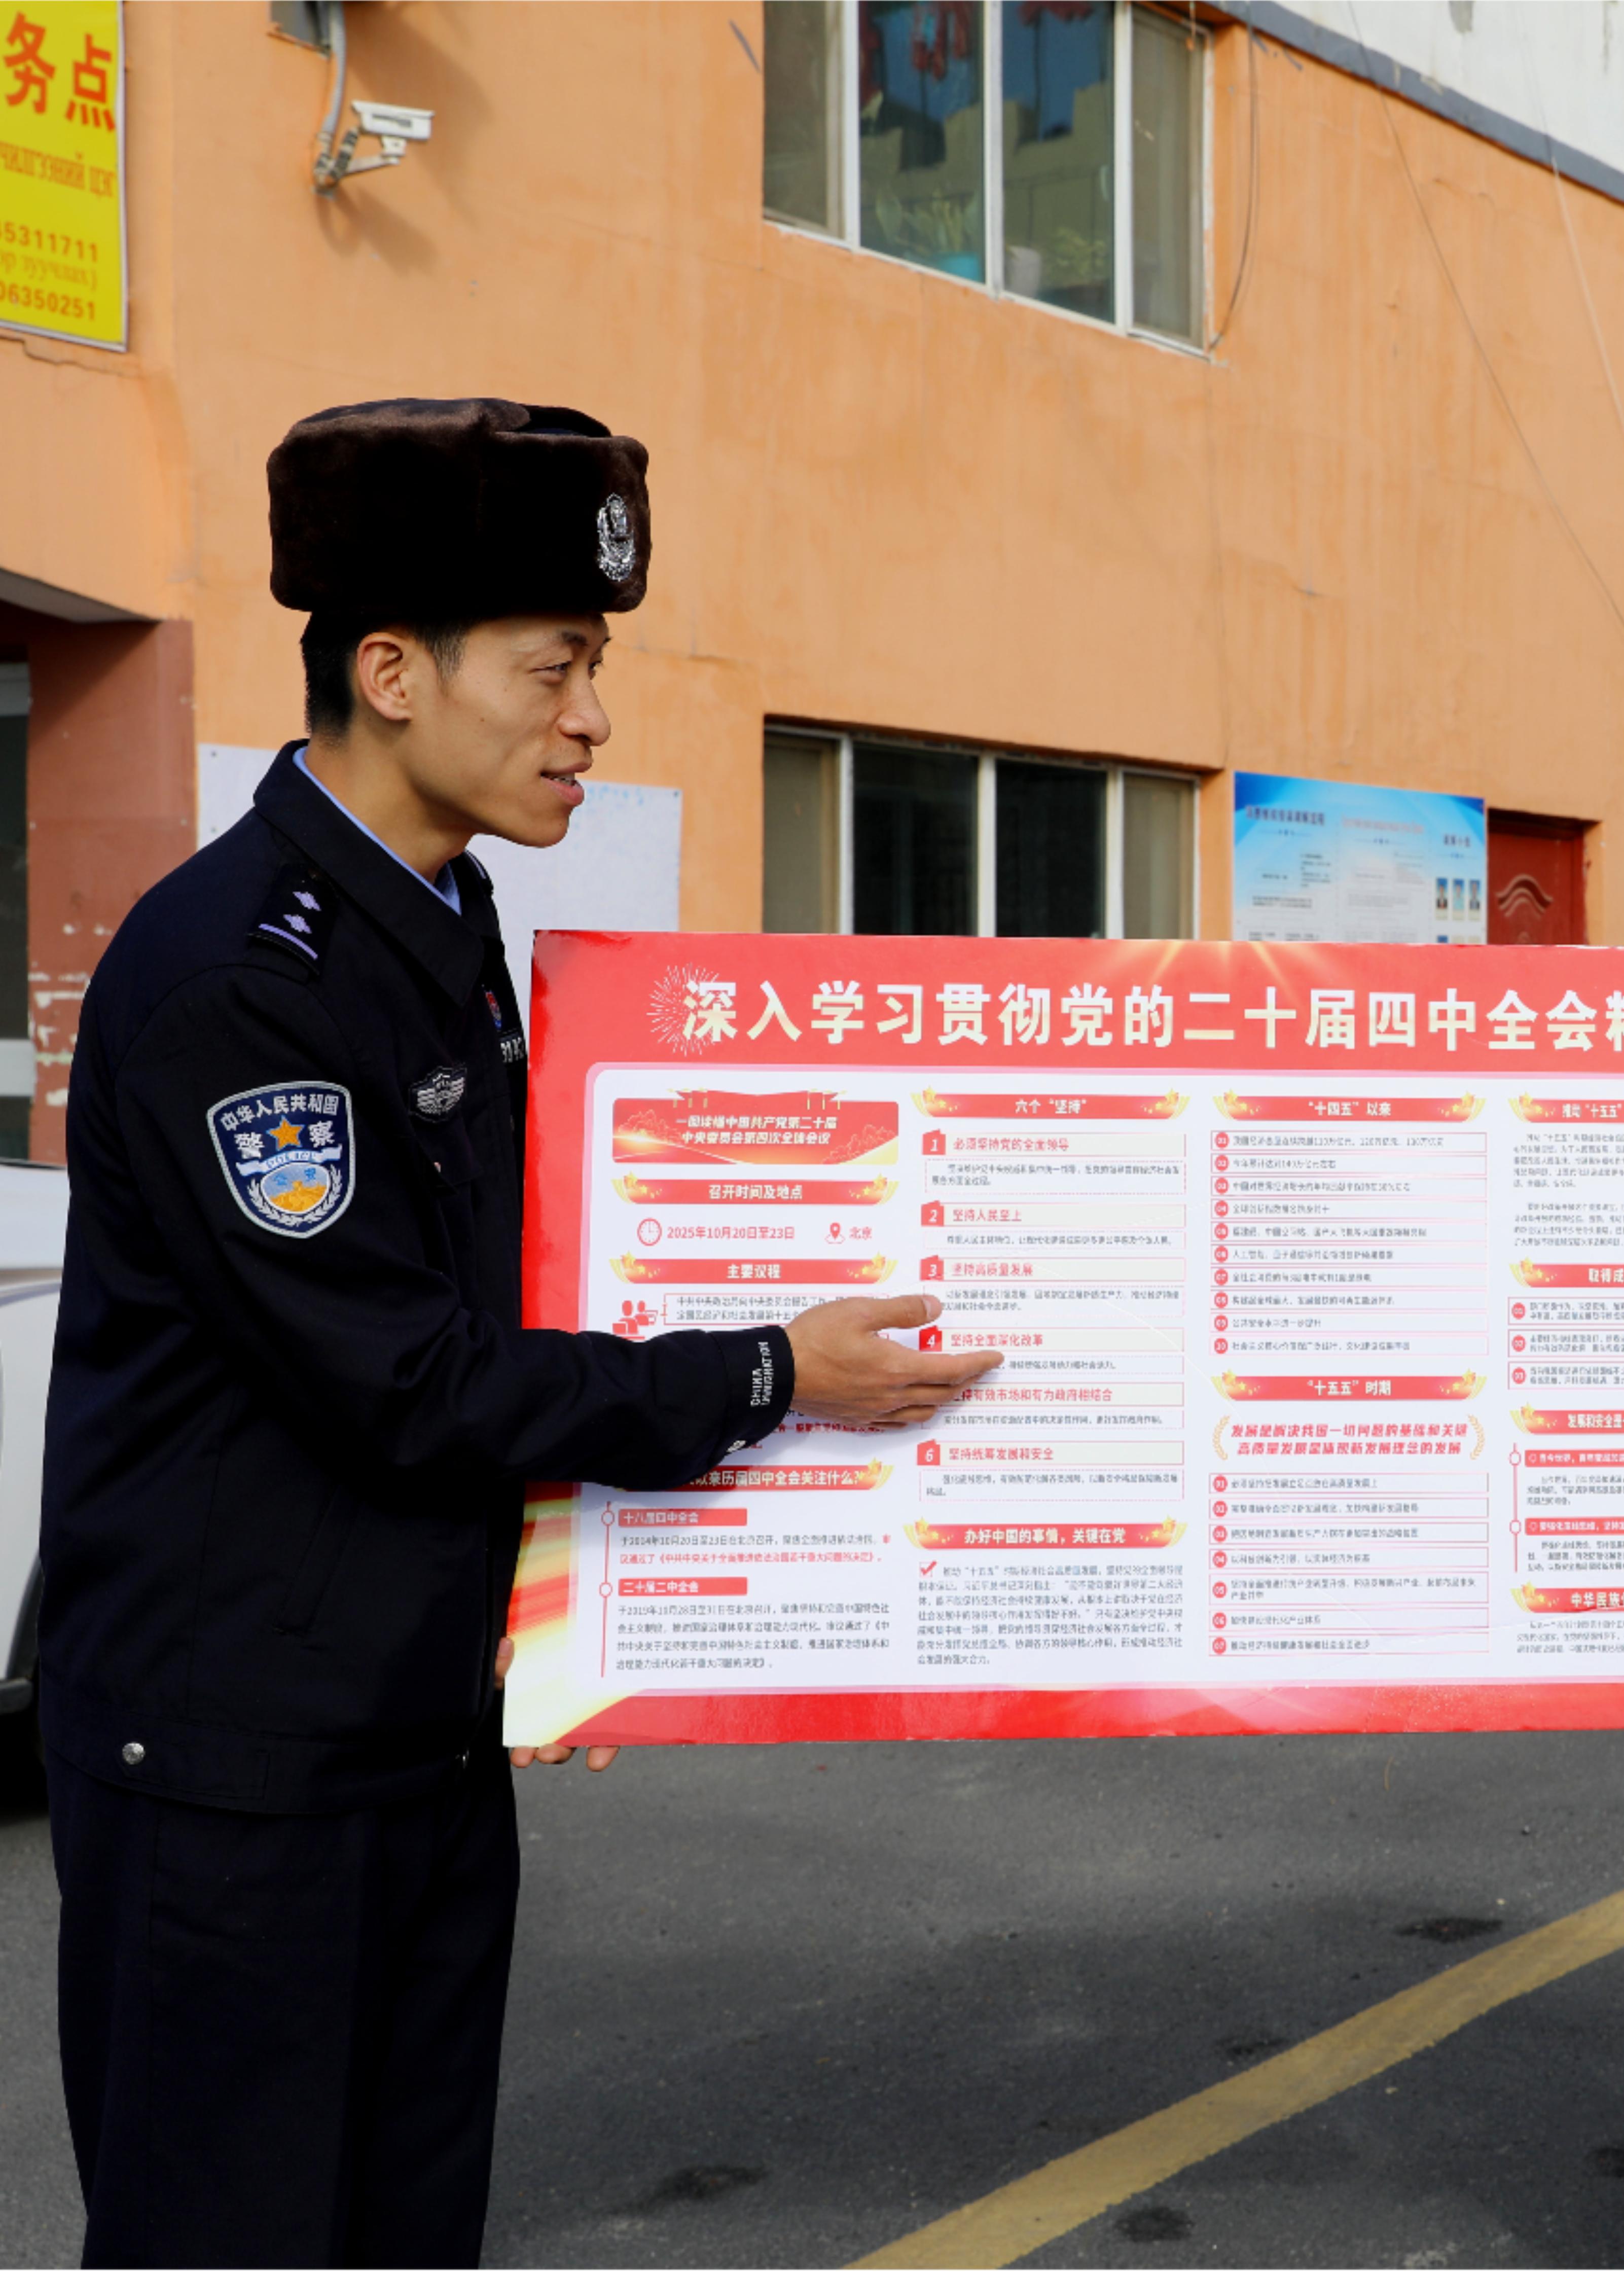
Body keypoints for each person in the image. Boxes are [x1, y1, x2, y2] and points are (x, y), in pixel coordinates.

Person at [39, 398, 1000, 2267]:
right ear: (391, 673)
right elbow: (406, 1379)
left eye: (597, 668)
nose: (593, 720)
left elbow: (500, 1304)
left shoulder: (442, 913)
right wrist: (772, 1371)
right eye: (555, 668)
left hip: (411, 1733)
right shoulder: (241, 977)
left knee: (407, 2228)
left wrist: (577, 1624)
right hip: (237, 1772)